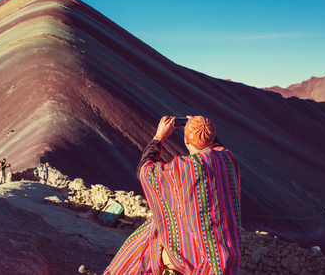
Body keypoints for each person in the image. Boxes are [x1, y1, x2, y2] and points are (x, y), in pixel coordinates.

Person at [82, 116, 241, 275]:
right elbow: (218, 146)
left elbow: (144, 171)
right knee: (154, 229)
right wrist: (203, 129)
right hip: (224, 254)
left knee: (147, 240)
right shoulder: (226, 159)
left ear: (186, 141)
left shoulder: (183, 168)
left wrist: (158, 138)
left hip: (193, 255)